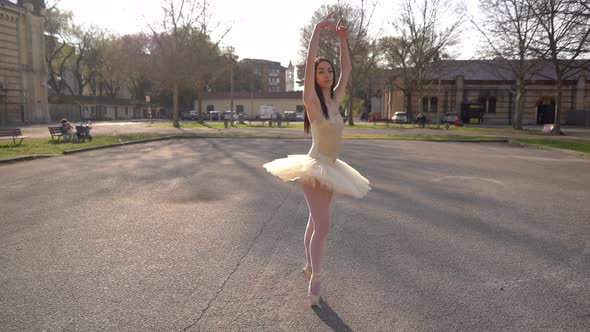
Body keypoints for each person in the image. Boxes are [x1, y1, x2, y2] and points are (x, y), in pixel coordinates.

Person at [263, 13, 370, 307]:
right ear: (314, 74)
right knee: (323, 227)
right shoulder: (310, 99)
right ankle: (317, 276)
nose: (327, 73)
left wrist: (343, 39)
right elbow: (309, 60)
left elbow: (347, 68)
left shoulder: (336, 100)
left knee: (315, 222)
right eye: (321, 70)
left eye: (329, 70)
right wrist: (318, 31)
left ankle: (310, 265)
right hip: (313, 168)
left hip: (334, 169)